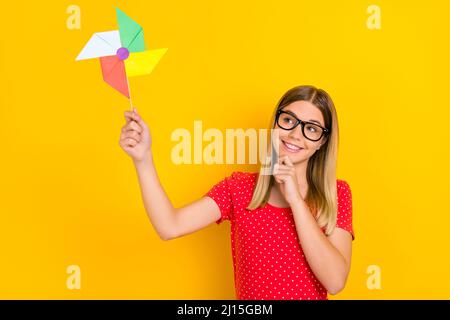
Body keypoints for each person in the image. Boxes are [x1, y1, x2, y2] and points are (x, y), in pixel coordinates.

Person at [119, 85, 354, 300]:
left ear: (322, 141)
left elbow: (335, 281)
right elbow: (170, 226)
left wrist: (294, 199)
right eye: (288, 120)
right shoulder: (240, 189)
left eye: (311, 129)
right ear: (275, 123)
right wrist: (143, 159)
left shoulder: (336, 194)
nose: (295, 134)